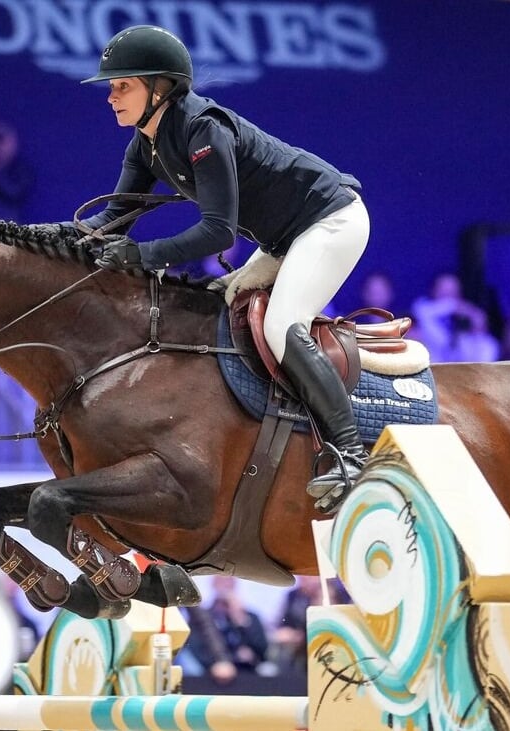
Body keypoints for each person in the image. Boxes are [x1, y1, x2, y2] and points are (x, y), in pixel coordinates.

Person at [78, 25, 369, 512]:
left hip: (331, 220)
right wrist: (39, 238)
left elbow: (218, 232)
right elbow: (111, 222)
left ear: (161, 88)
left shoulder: (201, 129)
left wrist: (144, 256)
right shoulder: (145, 143)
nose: (110, 96)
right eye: (111, 86)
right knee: (221, 305)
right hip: (284, 239)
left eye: (122, 85)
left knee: (281, 325)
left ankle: (352, 455)